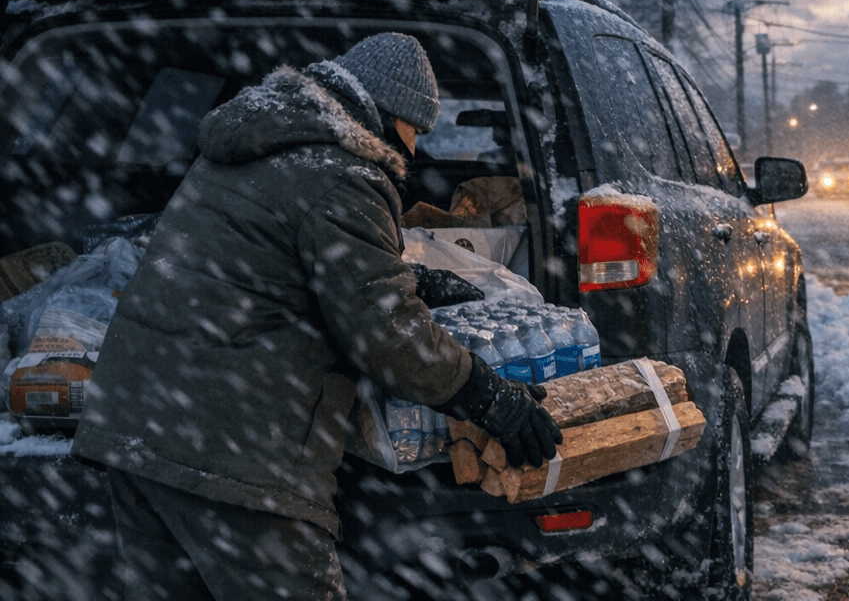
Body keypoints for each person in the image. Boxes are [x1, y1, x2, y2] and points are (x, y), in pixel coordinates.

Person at [72, 32, 561, 600]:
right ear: (385, 112)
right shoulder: (344, 174)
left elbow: (277, 258)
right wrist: (489, 397)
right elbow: (388, 335)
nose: (415, 150)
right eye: (415, 131)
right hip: (234, 454)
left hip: (137, 429)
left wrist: (414, 279)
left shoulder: (253, 146)